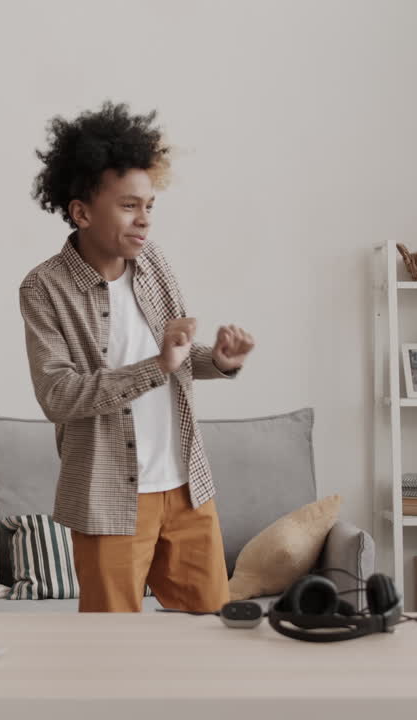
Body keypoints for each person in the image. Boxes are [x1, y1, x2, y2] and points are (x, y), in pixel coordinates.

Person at [18, 101, 254, 613]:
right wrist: (157, 366)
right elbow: (58, 396)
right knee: (112, 652)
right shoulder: (45, 288)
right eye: (129, 206)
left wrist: (221, 360)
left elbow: (179, 357)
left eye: (149, 205)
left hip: (188, 486)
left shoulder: (154, 262)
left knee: (211, 634)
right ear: (81, 211)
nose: (144, 220)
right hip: (109, 498)